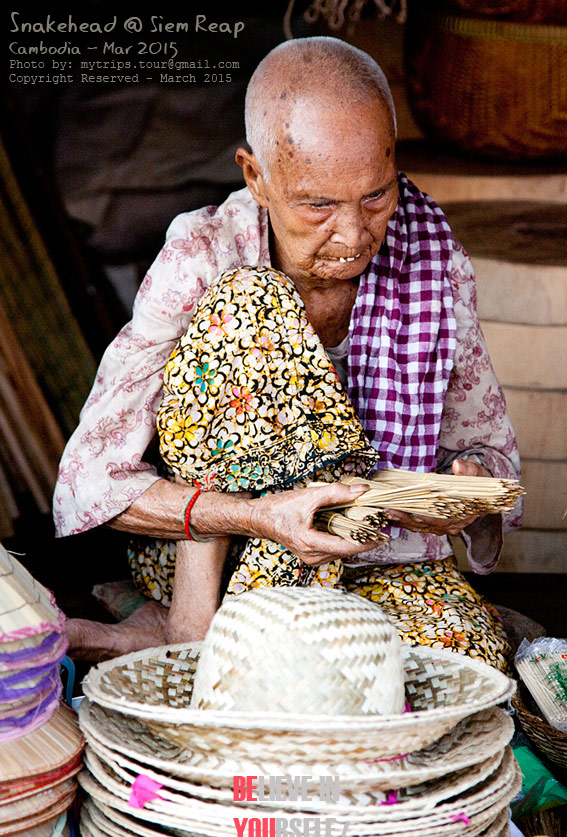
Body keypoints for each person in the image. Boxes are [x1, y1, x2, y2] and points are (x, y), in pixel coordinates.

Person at [54, 37, 521, 667]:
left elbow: (488, 454)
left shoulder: (433, 262)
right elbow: (91, 481)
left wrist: (461, 489)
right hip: (224, 549)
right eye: (318, 205)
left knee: (470, 661)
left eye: (377, 196)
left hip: (369, 554)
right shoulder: (202, 255)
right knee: (253, 302)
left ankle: (169, 639)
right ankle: (195, 627)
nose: (355, 236)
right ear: (256, 176)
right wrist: (260, 518)